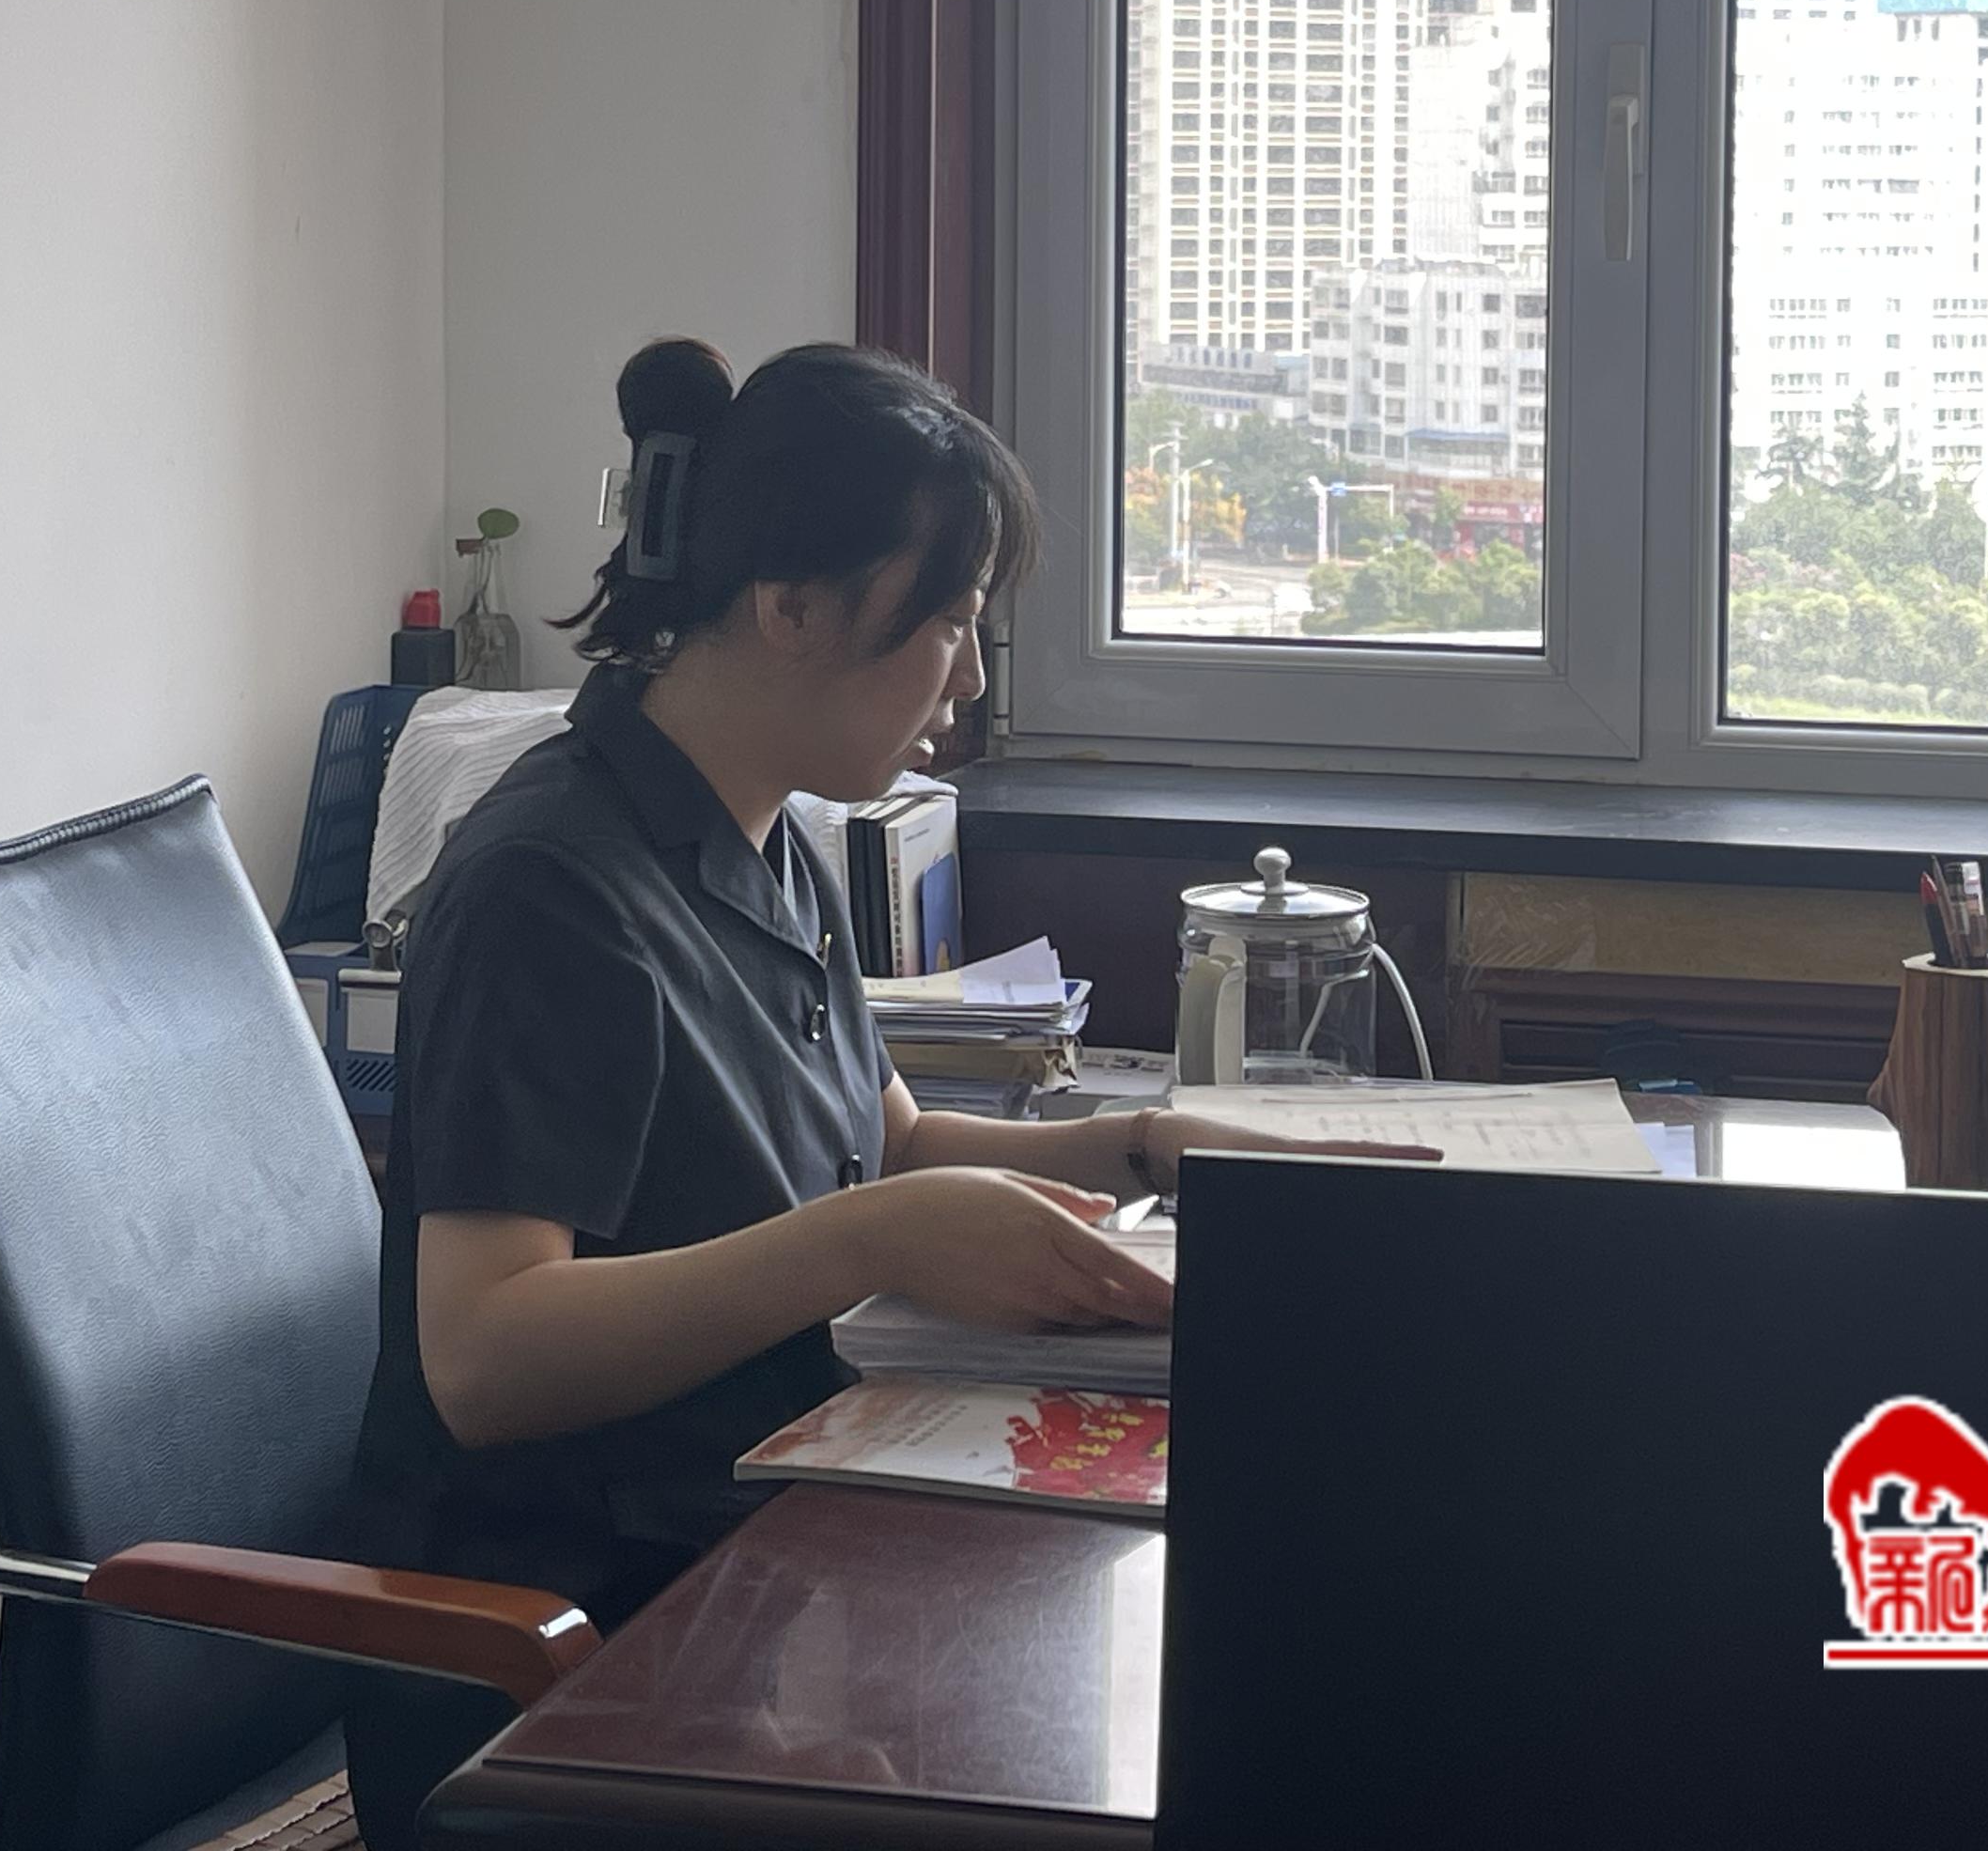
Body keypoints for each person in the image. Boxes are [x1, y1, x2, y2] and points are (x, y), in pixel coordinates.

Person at [341, 338, 1418, 1840]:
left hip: (762, 1557)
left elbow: (881, 1140)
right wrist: (872, 1239)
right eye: (950, 620)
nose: (969, 677)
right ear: (788, 606)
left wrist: (1145, 1146)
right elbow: (486, 1354)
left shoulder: (758, 828)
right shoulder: (552, 890)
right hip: (582, 1649)